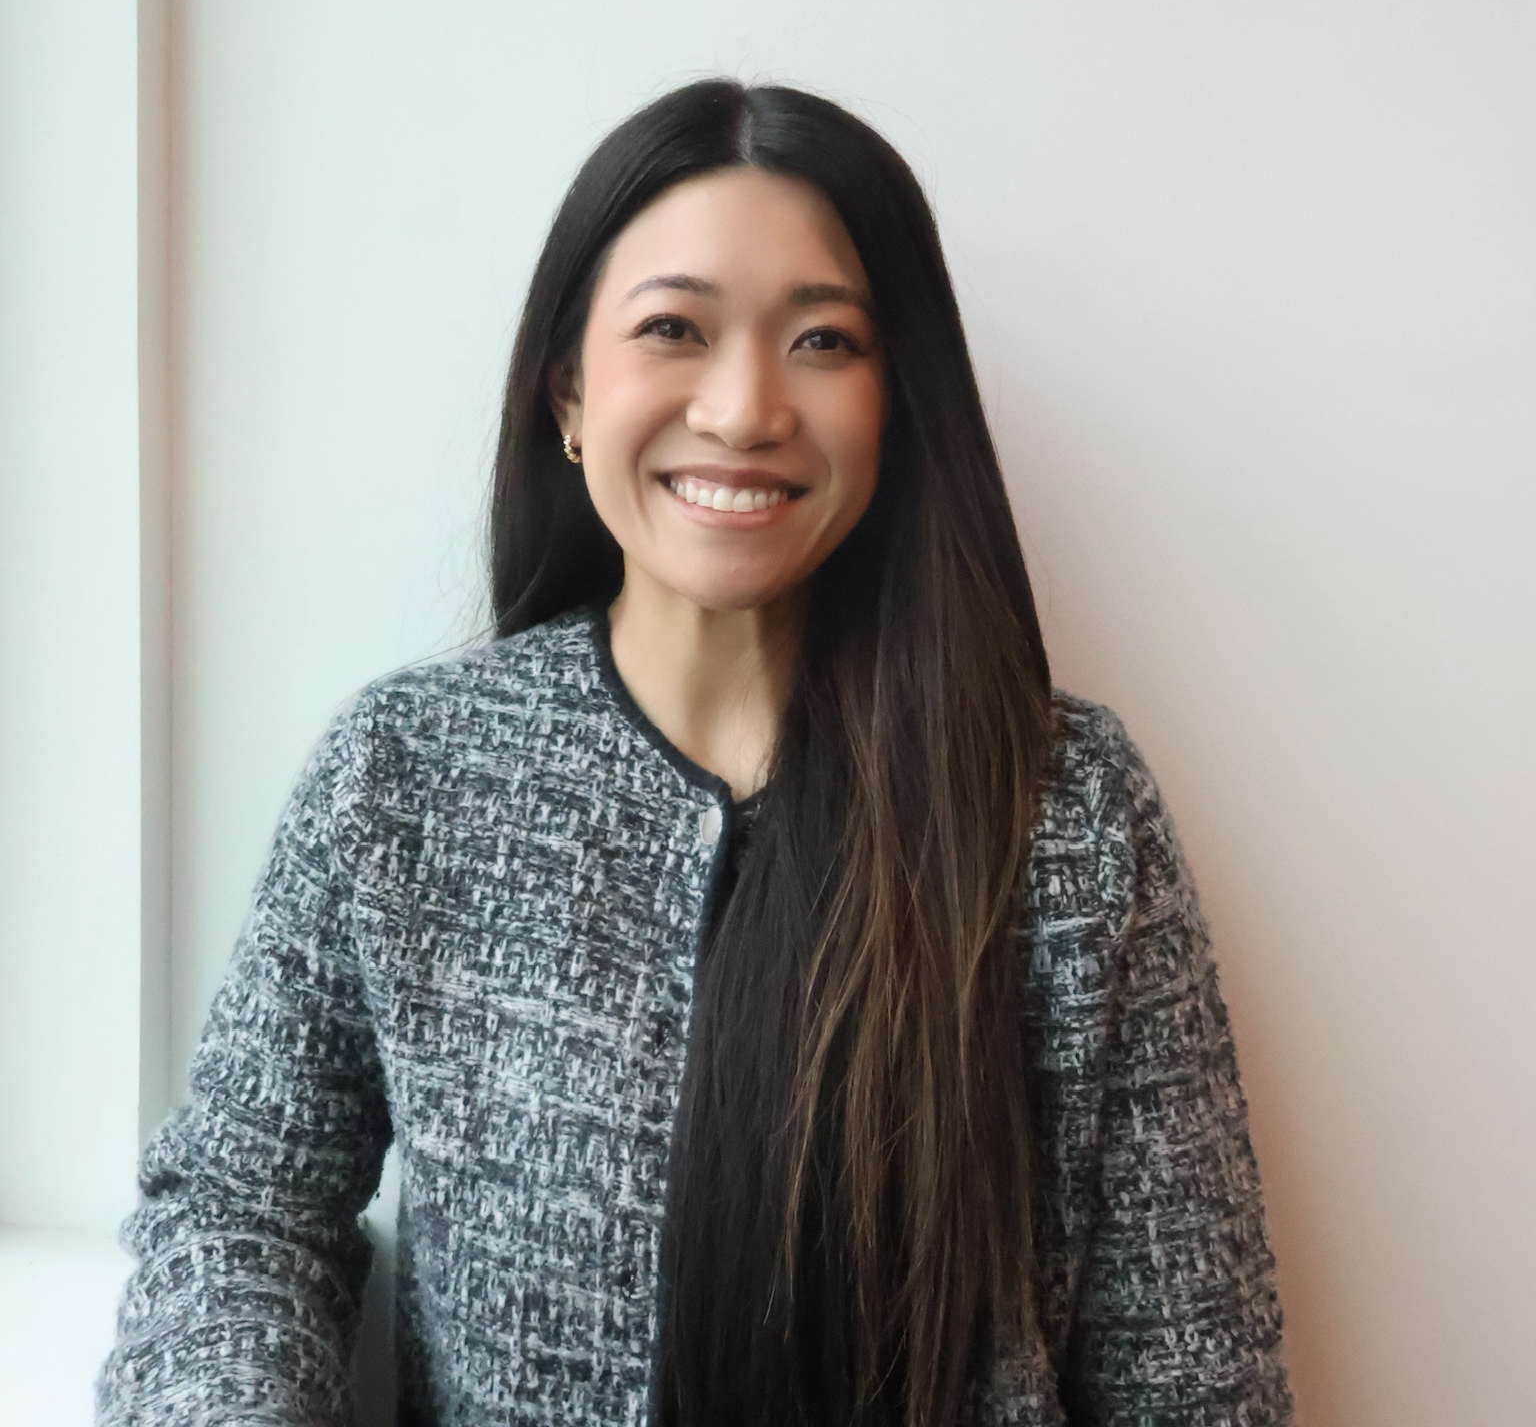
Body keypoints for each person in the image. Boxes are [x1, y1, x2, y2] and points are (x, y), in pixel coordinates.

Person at [96, 79, 1292, 1427]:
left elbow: (1195, 1378)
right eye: (673, 328)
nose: (742, 410)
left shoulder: (1062, 810)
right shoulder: (406, 773)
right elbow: (240, 1210)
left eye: (824, 341)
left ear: (896, 405)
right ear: (569, 389)